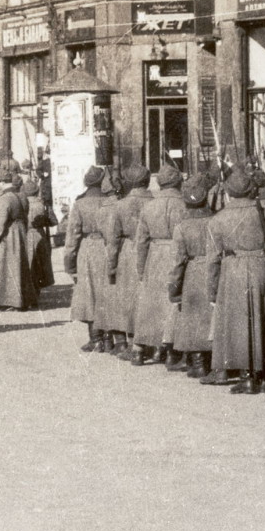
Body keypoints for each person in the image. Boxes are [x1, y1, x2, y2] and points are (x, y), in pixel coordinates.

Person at [205, 169, 265, 394]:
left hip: (233, 269)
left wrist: (212, 292)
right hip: (261, 265)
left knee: (238, 322)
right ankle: (264, 376)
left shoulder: (218, 219)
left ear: (228, 192)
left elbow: (212, 261)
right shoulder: (262, 211)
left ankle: (246, 376)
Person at [132, 162, 188, 366]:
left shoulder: (149, 206)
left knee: (150, 303)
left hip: (154, 255)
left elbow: (141, 241)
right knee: (173, 302)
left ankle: (139, 349)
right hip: (176, 253)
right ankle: (170, 350)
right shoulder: (184, 205)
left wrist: (141, 268)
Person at [167, 173, 218, 378]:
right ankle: (217, 361)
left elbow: (177, 262)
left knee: (193, 317)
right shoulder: (216, 221)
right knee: (212, 317)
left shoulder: (181, 228)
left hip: (193, 272)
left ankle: (198, 362)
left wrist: (173, 287)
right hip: (214, 270)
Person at [104, 162, 152, 357]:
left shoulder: (119, 206)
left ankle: (133, 341)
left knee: (129, 298)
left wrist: (111, 266)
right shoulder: (153, 202)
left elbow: (112, 240)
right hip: (152, 251)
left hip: (127, 252)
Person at [65, 165, 114, 351]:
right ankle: (109, 338)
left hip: (88, 248)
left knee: (89, 293)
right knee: (107, 290)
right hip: (108, 247)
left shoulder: (79, 204)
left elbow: (72, 237)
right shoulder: (111, 202)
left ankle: (95, 339)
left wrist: (69, 264)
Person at [0, 166, 31, 310]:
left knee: (7, 267)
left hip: (8, 234)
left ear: (0, 183)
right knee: (20, 266)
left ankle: (11, 301)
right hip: (20, 231)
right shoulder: (21, 196)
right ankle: (24, 299)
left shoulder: (4, 199)